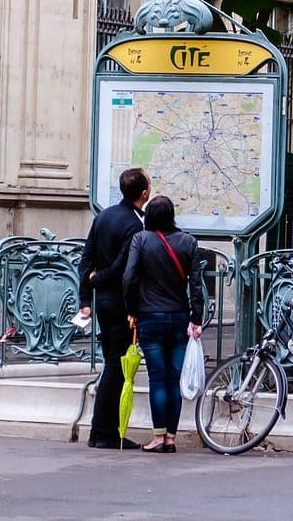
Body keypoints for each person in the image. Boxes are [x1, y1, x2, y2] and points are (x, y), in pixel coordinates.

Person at [123, 194, 205, 453]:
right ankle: (171, 436)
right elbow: (196, 284)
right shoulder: (188, 242)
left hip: (149, 317)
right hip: (179, 316)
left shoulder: (141, 239)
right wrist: (196, 317)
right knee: (174, 379)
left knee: (157, 379)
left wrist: (132, 308)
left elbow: (129, 277)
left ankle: (158, 437)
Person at [78, 167, 150, 450]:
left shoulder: (104, 216)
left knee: (112, 363)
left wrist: (87, 296)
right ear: (144, 193)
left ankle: (100, 432)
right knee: (116, 367)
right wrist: (99, 281)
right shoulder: (136, 224)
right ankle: (105, 432)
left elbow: (86, 258)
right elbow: (124, 268)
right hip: (122, 303)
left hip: (102, 304)